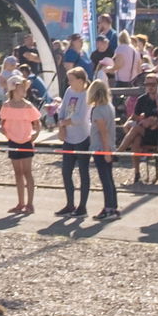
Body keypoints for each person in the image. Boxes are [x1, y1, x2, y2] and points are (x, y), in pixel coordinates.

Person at [56, 66, 94, 218]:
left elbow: (80, 118)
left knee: (83, 172)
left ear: (80, 80)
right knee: (66, 171)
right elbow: (63, 108)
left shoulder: (87, 95)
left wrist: (65, 122)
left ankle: (82, 206)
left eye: (71, 80)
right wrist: (61, 123)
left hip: (82, 136)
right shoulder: (69, 91)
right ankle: (69, 203)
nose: (69, 82)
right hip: (68, 136)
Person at [0, 76, 41, 214]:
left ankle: (30, 204)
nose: (23, 89)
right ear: (14, 88)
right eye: (20, 87)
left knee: (27, 172)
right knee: (18, 173)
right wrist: (4, 132)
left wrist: (35, 135)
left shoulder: (28, 105)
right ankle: (20, 203)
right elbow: (2, 122)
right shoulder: (6, 105)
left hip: (26, 141)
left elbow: (37, 122)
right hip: (13, 141)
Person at [86, 76, 120, 219]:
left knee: (105, 178)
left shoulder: (98, 110)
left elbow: (102, 132)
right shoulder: (109, 107)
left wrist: (105, 151)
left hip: (101, 148)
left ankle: (109, 208)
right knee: (109, 178)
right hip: (109, 146)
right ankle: (113, 206)